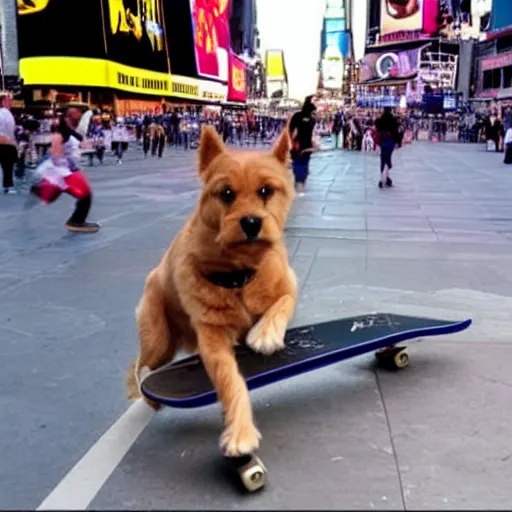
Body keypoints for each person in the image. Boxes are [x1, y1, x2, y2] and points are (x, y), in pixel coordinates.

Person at [28, 107, 100, 233]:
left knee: (79, 194)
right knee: (85, 195)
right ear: (69, 116)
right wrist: (65, 168)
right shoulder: (60, 133)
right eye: (77, 113)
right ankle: (76, 221)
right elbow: (56, 154)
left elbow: (78, 145)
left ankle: (41, 189)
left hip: (68, 169)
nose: (79, 116)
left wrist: (92, 143)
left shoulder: (71, 131)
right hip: (63, 170)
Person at [288, 95, 317, 196]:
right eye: (314, 101)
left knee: (301, 164)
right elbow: (292, 130)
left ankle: (300, 182)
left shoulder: (308, 118)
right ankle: (299, 182)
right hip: (301, 145)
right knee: (301, 164)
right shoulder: (303, 117)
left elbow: (310, 133)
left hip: (303, 145)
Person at [375, 107, 399, 188]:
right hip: (391, 142)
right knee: (388, 158)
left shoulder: (380, 120)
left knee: (383, 159)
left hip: (382, 142)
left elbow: (377, 128)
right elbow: (396, 132)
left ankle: (383, 179)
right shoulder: (394, 120)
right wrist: (397, 142)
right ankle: (386, 178)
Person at [0, 93, 18, 194]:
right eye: (8, 100)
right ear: (3, 102)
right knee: (7, 166)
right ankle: (8, 185)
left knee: (8, 166)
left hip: (7, 143)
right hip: (5, 143)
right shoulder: (3, 113)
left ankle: (8, 185)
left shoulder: (8, 113)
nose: (10, 102)